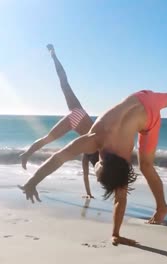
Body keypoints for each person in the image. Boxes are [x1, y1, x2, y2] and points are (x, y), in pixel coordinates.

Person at [20, 79, 167, 245]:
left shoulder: (111, 152)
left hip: (147, 117)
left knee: (147, 164)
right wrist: (32, 182)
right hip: (143, 100)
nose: (96, 168)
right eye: (98, 169)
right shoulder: (96, 139)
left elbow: (119, 198)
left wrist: (116, 234)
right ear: (104, 163)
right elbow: (58, 158)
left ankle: (162, 207)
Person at [20, 44, 98, 198]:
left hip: (78, 114)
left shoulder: (95, 147)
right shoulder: (86, 151)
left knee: (64, 82)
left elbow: (86, 174)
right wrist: (88, 193)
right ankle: (53, 55)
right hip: (75, 119)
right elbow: (85, 175)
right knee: (48, 138)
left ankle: (27, 154)